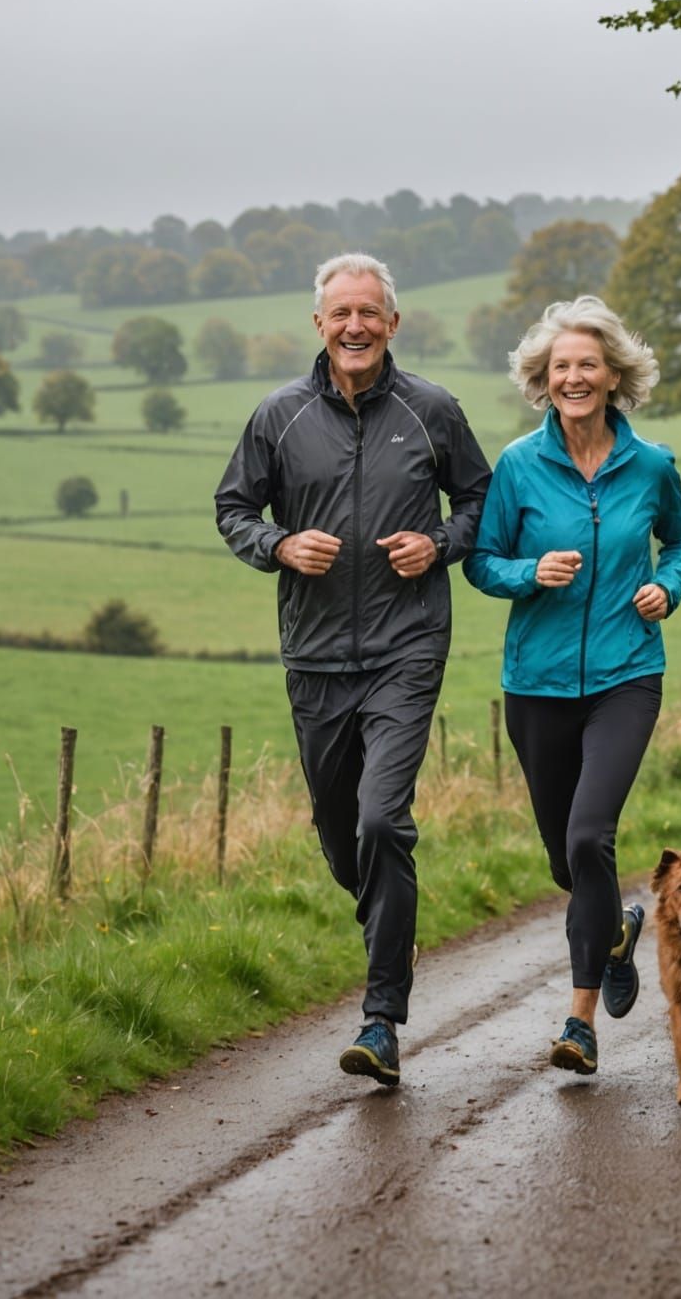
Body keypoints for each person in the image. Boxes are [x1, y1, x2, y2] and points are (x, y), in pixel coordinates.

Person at [215, 252, 491, 1086]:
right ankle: (390, 912)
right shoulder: (280, 418)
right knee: (343, 841)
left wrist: (439, 544)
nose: (356, 326)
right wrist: (279, 545)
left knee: (380, 823)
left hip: (408, 647)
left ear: (393, 323)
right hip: (316, 655)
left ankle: (381, 1020)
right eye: (341, 313)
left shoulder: (432, 411)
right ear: (319, 324)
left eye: (370, 312)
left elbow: (481, 500)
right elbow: (233, 507)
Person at [465, 295, 681, 1075]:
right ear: (543, 378)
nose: (574, 377)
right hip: (535, 684)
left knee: (587, 836)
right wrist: (530, 573)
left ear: (612, 376)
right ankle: (616, 930)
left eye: (587, 365)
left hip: (626, 674)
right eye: (560, 366)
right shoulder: (519, 466)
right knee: (566, 865)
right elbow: (481, 560)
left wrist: (667, 587)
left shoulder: (652, 465)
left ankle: (579, 1020)